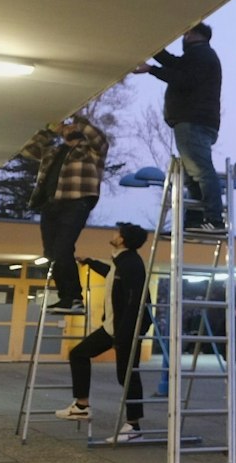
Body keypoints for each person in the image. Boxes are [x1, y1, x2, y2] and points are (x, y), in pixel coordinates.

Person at [55, 223, 153, 440]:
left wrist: (125, 334)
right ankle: (81, 406)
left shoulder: (132, 264)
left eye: (117, 232)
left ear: (123, 239)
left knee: (127, 376)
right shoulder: (121, 262)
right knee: (79, 353)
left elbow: (135, 302)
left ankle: (134, 427)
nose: (114, 234)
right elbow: (111, 274)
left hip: (125, 329)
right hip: (112, 327)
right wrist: (90, 262)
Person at [140, 22, 226, 233]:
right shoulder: (201, 56)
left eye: (185, 33)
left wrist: (151, 69)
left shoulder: (201, 57)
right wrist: (154, 51)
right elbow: (176, 64)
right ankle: (196, 219)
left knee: (201, 171)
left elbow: (182, 78)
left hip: (192, 121)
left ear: (190, 34)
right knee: (192, 175)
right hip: (197, 121)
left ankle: (214, 219)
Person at [20, 116, 110, 313]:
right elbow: (28, 150)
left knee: (62, 248)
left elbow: (100, 140)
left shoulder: (90, 152)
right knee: (52, 253)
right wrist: (50, 131)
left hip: (76, 202)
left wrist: (78, 120)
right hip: (50, 205)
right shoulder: (54, 151)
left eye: (71, 125)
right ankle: (66, 297)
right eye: (66, 126)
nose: (68, 128)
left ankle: (75, 298)